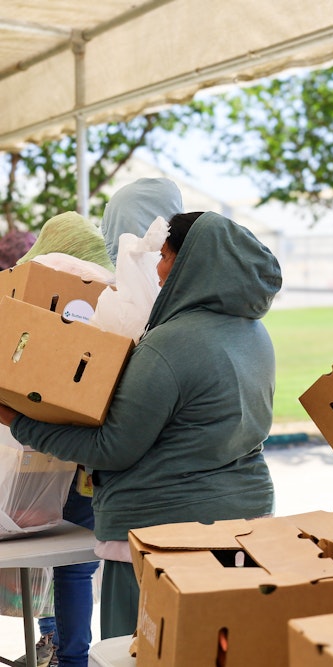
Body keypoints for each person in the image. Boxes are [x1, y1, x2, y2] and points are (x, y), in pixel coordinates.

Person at [0, 211, 280, 640]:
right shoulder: (255, 335)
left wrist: (20, 422)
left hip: (160, 537)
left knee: (138, 650)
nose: (159, 269)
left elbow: (113, 446)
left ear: (194, 263)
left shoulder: (169, 346)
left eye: (166, 256)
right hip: (243, 524)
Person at [9, 211, 114, 667]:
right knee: (77, 565)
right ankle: (72, 658)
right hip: (89, 455)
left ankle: (50, 640)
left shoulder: (24, 291)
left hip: (30, 451)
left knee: (39, 553)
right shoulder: (112, 300)